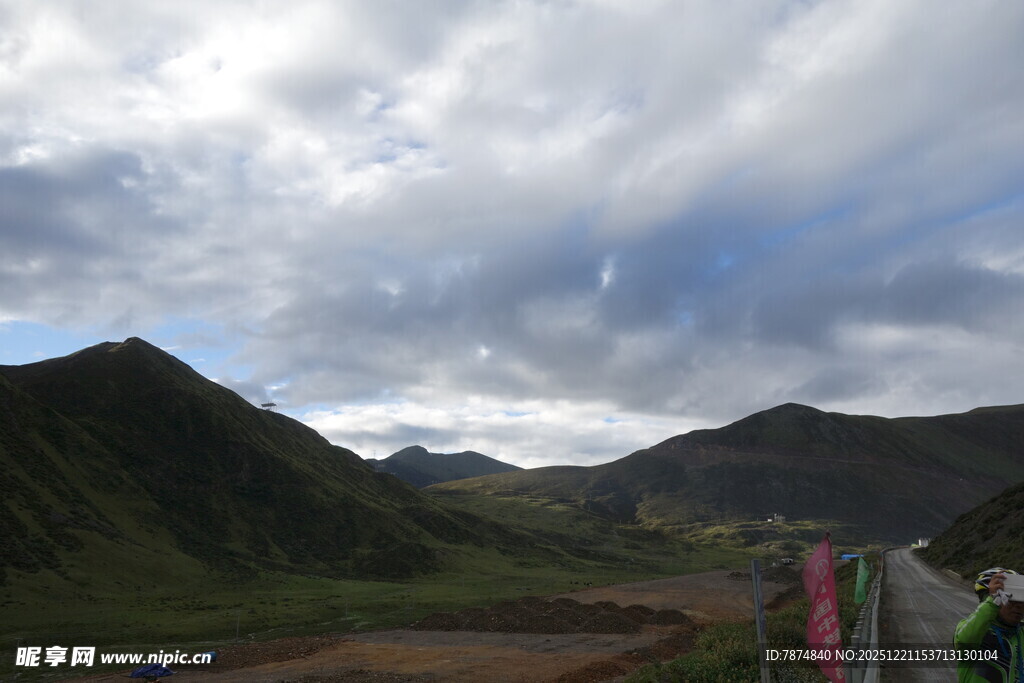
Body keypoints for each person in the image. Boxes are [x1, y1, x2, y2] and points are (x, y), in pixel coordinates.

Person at [955, 567, 1024, 682]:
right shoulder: (976, 631)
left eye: (1021, 600)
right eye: (1009, 599)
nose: (1018, 606)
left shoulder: (1021, 633)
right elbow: (964, 641)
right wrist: (992, 603)